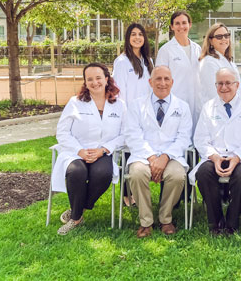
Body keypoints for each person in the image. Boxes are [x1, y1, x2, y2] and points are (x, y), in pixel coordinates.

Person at [189, 68, 241, 235]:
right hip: (214, 156)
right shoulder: (209, 107)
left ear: (237, 85)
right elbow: (200, 139)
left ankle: (232, 221)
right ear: (216, 86)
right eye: (220, 84)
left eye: (228, 83)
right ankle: (216, 222)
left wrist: (237, 157)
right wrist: (215, 158)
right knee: (203, 174)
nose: (224, 87)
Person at [51, 63, 125, 235]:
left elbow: (125, 134)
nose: (95, 82)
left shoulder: (119, 105)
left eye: (98, 78)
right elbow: (62, 132)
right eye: (89, 79)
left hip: (102, 152)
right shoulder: (75, 103)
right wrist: (79, 151)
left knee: (103, 174)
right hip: (76, 152)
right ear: (85, 82)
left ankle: (79, 209)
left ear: (107, 79)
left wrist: (104, 149)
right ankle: (76, 219)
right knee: (76, 172)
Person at [124, 66, 192, 238]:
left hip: (172, 156)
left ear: (172, 82)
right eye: (158, 79)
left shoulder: (182, 107)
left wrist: (165, 156)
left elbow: (184, 138)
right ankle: (146, 222)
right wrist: (152, 157)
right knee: (137, 174)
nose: (162, 83)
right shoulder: (136, 105)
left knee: (177, 175)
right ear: (150, 82)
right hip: (143, 155)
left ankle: (165, 218)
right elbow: (132, 135)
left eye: (166, 79)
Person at [113, 23, 154, 207]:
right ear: (127, 38)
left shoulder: (148, 61)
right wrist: (125, 116)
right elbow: (118, 92)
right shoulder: (122, 61)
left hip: (146, 115)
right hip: (129, 115)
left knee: (140, 153)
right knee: (127, 155)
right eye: (133, 34)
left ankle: (137, 192)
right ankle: (126, 195)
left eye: (140, 34)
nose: (137, 37)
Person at [156, 10, 202, 124]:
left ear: (190, 25)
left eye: (184, 23)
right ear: (172, 27)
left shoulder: (198, 49)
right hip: (175, 103)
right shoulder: (166, 50)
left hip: (197, 102)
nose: (181, 26)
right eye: (177, 23)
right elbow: (159, 80)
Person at [198, 23, 241, 106]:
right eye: (219, 37)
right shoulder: (208, 62)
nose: (224, 39)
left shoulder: (229, 61)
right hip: (218, 110)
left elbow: (238, 88)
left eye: (226, 35)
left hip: (234, 108)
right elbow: (214, 92)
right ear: (210, 41)